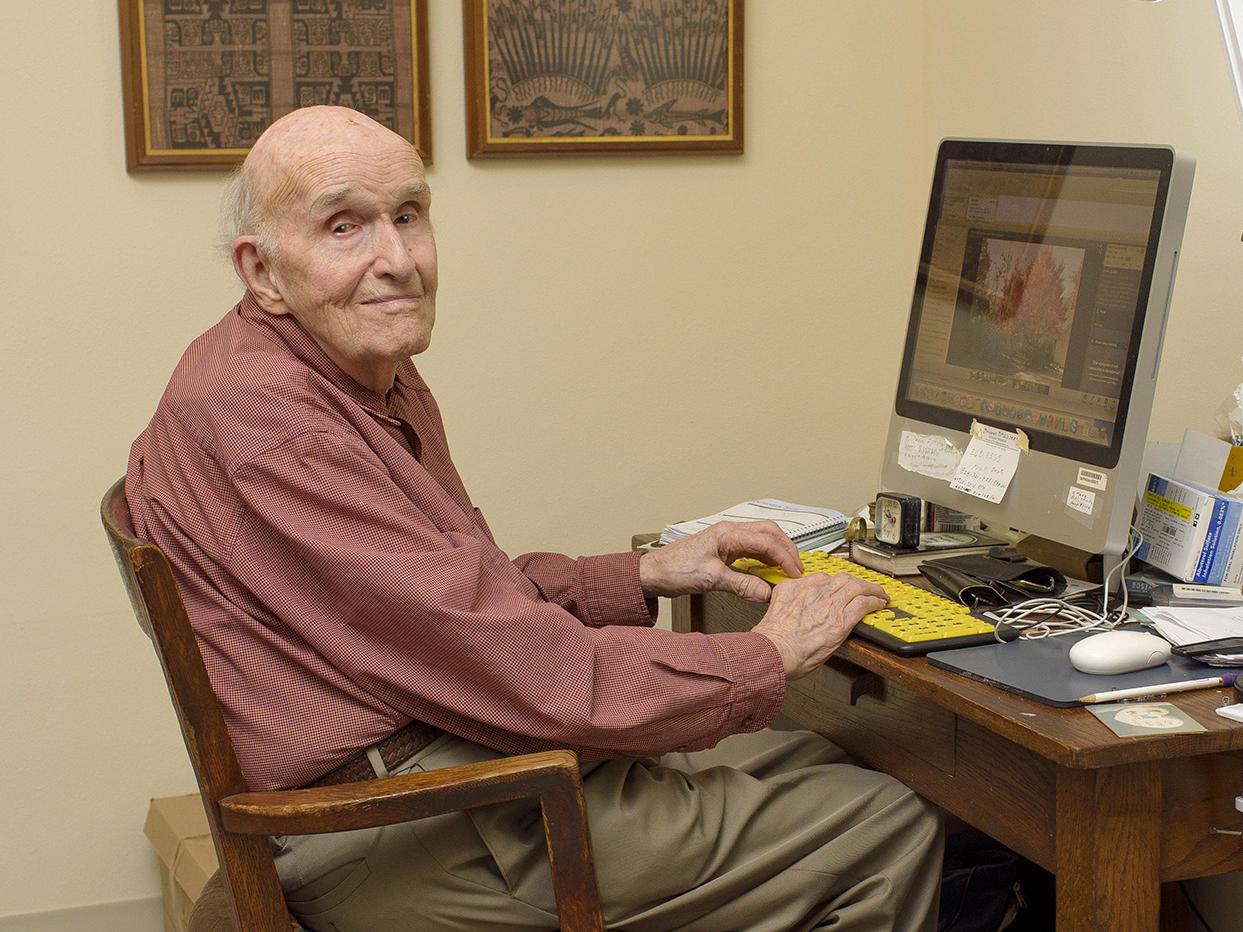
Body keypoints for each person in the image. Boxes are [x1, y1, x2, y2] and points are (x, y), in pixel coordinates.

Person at [127, 105, 942, 930]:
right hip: (415, 821)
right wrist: (763, 654)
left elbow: (449, 600)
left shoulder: (336, 369)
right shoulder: (279, 426)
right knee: (885, 823)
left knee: (811, 756)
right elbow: (511, 664)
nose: (398, 260)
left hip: (440, 765)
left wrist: (644, 573)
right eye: (344, 227)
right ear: (260, 271)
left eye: (408, 216)